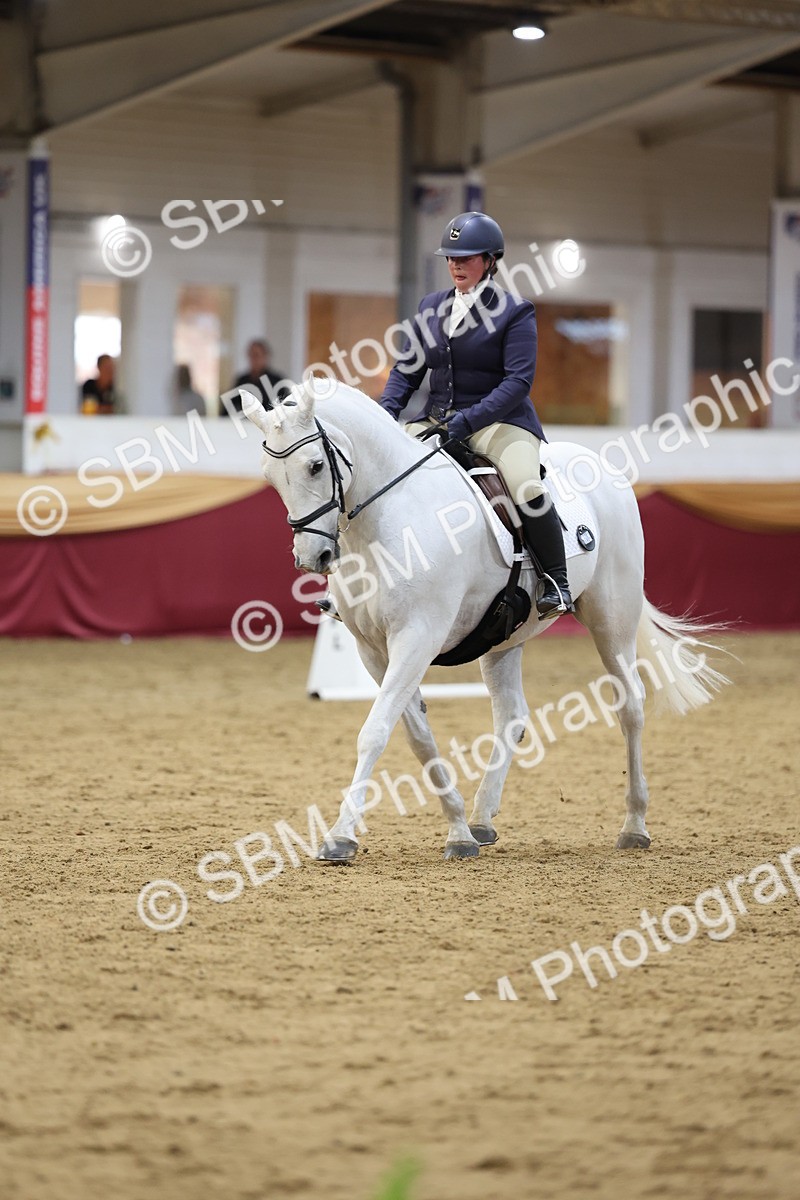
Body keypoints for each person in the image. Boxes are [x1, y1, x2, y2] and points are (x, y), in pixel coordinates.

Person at [379, 210, 573, 620]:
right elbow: (407, 370)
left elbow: (518, 382)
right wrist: (384, 416)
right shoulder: (432, 305)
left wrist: (466, 422)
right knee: (380, 473)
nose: (455, 265)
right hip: (438, 419)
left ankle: (556, 579)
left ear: (489, 259)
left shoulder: (514, 311)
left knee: (524, 485)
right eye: (450, 258)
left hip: (499, 422)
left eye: (465, 258)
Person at [223, 338, 290, 415]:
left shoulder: (277, 381)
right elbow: (228, 408)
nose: (254, 359)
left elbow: (285, 410)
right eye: (251, 355)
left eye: (257, 355)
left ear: (265, 356)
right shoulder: (242, 381)